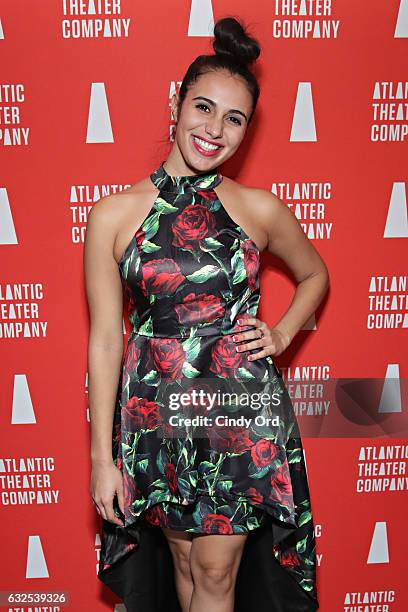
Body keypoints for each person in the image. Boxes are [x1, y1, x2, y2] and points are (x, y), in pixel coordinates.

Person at [85, 16, 328, 612]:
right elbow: (105, 343)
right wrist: (102, 459)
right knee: (187, 571)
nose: (214, 130)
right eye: (204, 108)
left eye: (235, 119)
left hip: (239, 409)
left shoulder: (257, 208)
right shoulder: (113, 215)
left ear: (247, 131)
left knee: (216, 576)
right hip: (154, 414)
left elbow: (315, 275)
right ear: (177, 101)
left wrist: (281, 333)